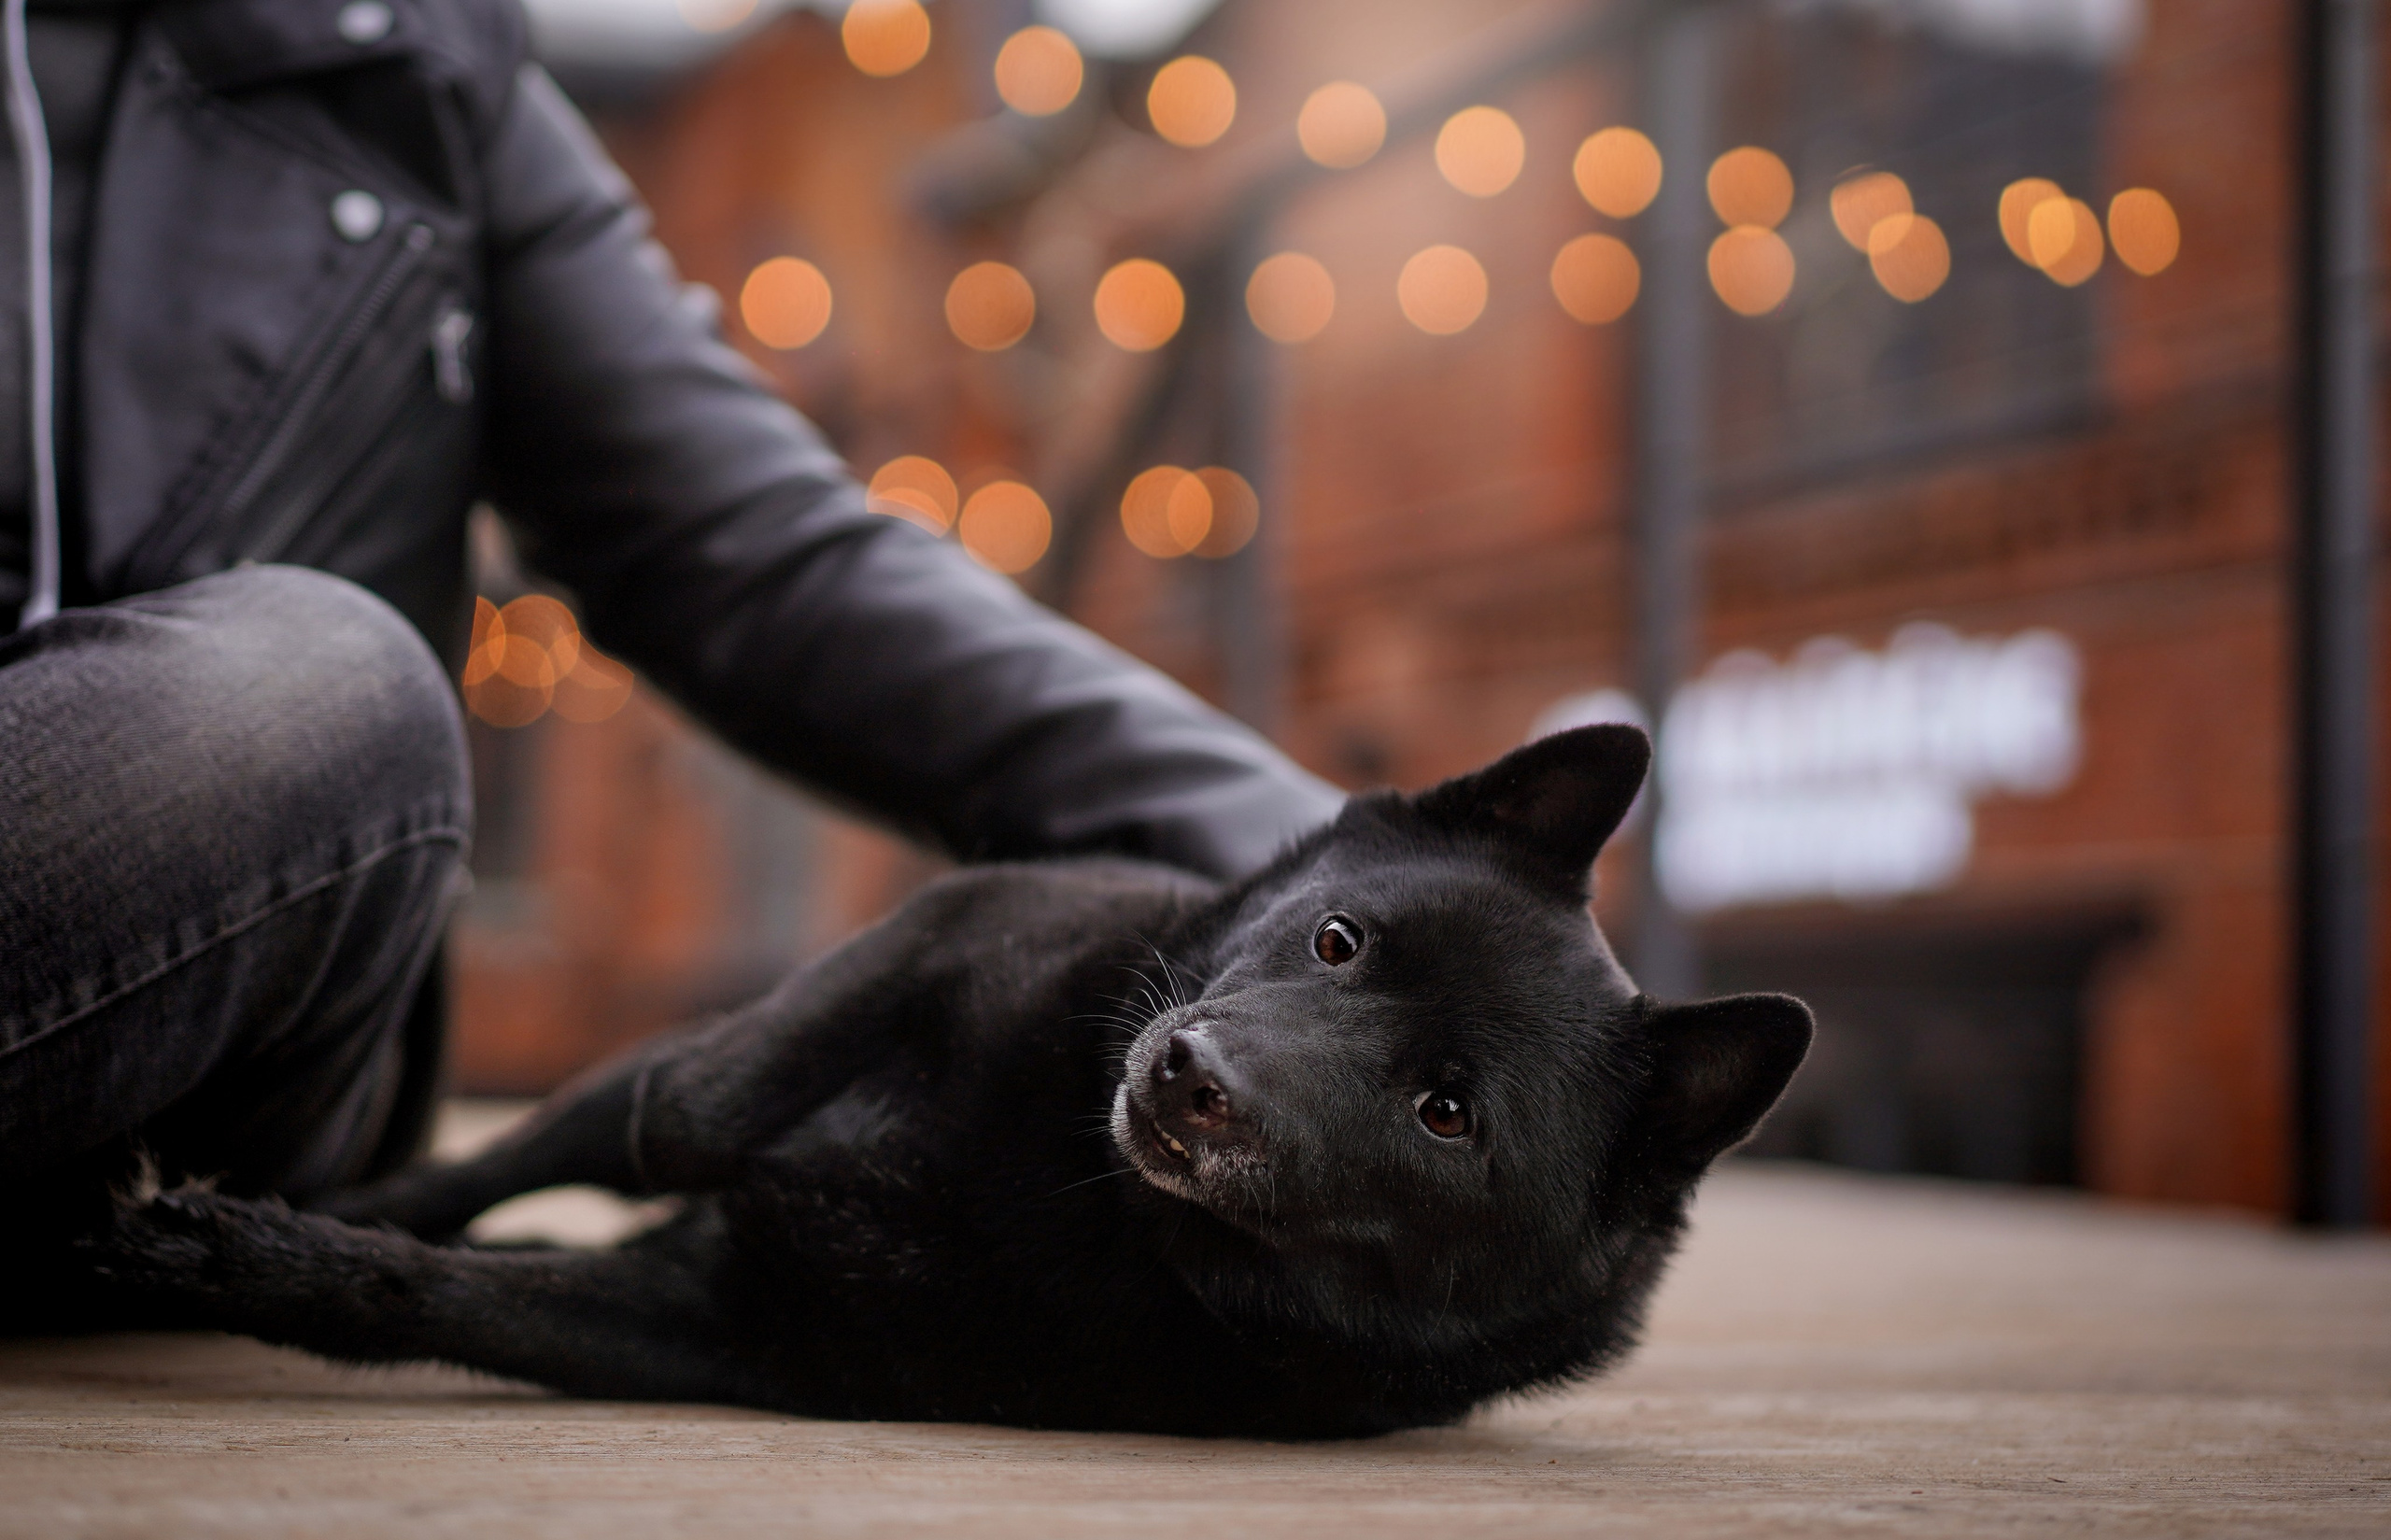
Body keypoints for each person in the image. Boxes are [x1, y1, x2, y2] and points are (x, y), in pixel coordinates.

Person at [0, 0, 1342, 1208]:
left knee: (310, 700)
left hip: (229, 1091)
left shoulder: (408, 62)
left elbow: (749, 542)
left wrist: (1357, 875)